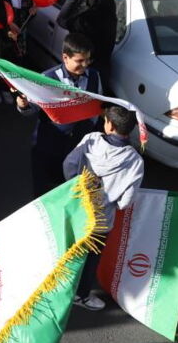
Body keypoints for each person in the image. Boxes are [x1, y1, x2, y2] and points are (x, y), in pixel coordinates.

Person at [62, 104, 144, 310]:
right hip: (101, 219)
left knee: (69, 248)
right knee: (91, 257)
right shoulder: (135, 161)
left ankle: (59, 286)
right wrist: (114, 201)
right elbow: (126, 200)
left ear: (109, 125)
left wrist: (78, 187)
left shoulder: (91, 139)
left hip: (77, 207)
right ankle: (81, 295)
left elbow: (69, 164)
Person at [16, 33, 102, 197]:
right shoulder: (47, 78)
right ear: (65, 57)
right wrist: (23, 105)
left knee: (70, 191)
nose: (84, 65)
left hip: (77, 147)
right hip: (48, 146)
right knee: (44, 192)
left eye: (87, 60)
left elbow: (97, 105)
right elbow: (31, 108)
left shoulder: (94, 76)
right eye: (79, 61)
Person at [56, 0, 117, 84]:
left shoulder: (86, 18)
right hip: (102, 71)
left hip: (82, 72)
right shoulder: (111, 17)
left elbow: (61, 20)